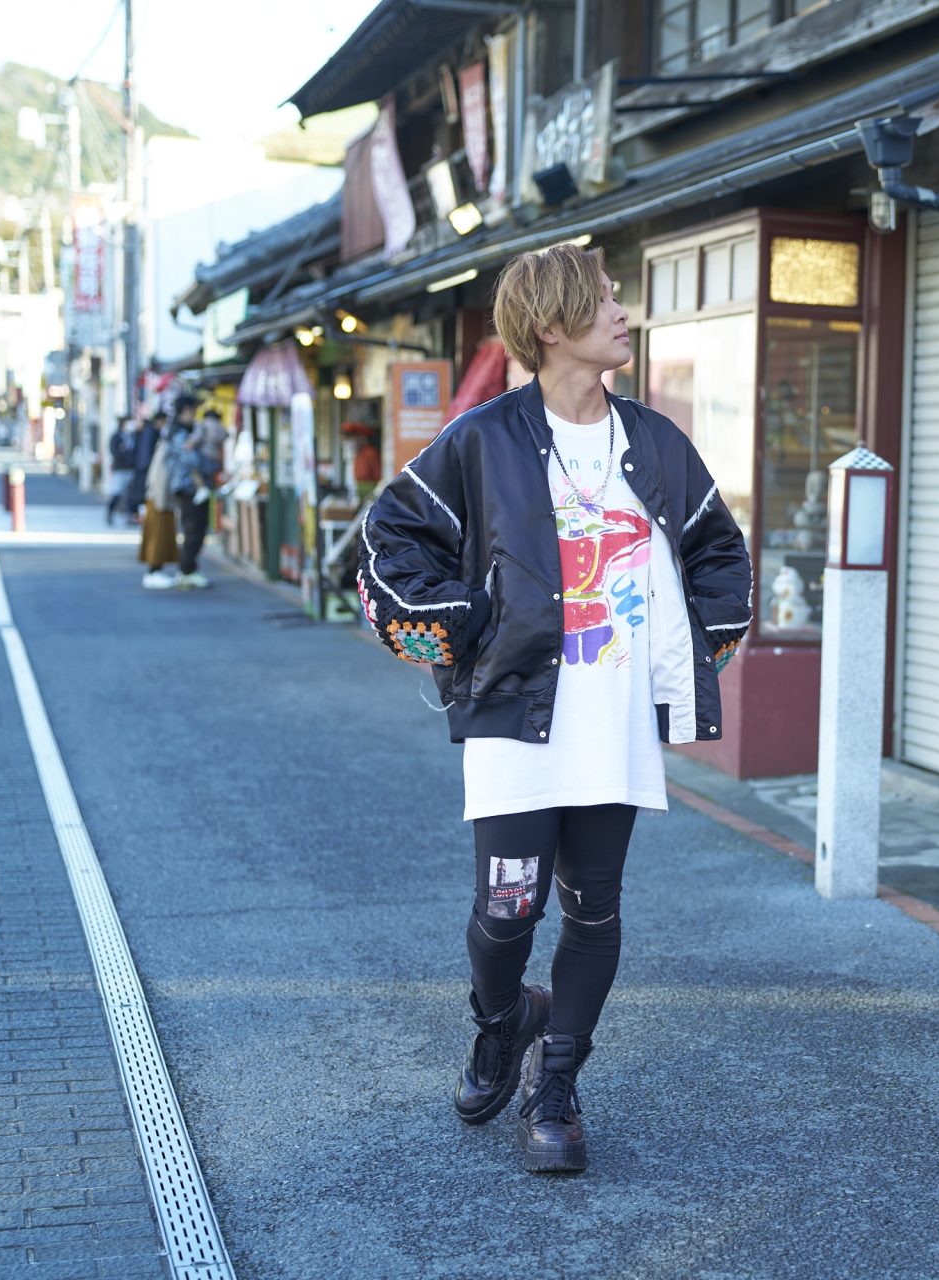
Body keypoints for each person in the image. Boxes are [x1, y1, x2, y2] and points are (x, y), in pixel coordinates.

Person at [357, 244, 752, 1174]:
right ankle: (504, 1019)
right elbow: (389, 540)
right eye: (603, 299)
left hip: (614, 722)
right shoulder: (482, 440)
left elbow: (719, 552)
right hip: (516, 714)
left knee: (593, 909)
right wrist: (469, 622)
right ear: (550, 326)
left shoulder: (654, 443)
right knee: (507, 909)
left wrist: (690, 650)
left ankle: (559, 1087)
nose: (622, 312)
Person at [171, 405, 226, 590]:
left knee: (197, 530)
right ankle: (186, 571)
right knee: (193, 530)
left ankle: (189, 569)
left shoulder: (192, 430)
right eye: (191, 412)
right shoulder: (180, 433)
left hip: (195, 488)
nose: (193, 415)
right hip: (190, 489)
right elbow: (189, 459)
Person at [138, 412, 181, 589]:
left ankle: (156, 571)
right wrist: (162, 499)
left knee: (159, 537)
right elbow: (160, 474)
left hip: (157, 497)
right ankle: (154, 571)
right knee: (158, 537)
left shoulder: (161, 443)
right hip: (159, 499)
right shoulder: (165, 446)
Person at [105, 416, 139, 525]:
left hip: (131, 469)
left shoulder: (133, 436)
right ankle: (110, 513)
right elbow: (114, 452)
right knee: (117, 493)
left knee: (131, 495)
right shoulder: (116, 437)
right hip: (120, 469)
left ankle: (130, 516)